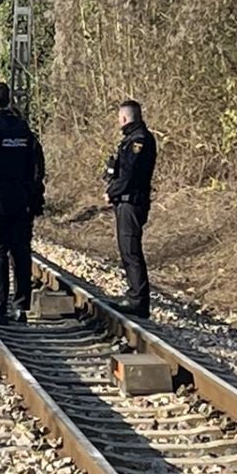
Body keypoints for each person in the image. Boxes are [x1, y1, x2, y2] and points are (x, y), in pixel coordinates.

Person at [0, 80, 44, 322]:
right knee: (21, 251)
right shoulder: (23, 128)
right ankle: (21, 305)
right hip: (21, 195)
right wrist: (33, 190)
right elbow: (36, 161)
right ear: (9, 100)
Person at [104, 98, 158, 316]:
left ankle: (138, 299)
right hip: (126, 200)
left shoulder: (139, 140)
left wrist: (111, 192)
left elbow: (130, 175)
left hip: (131, 201)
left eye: (119, 117)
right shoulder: (131, 139)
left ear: (125, 117)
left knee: (131, 249)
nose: (118, 121)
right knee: (127, 249)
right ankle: (134, 294)